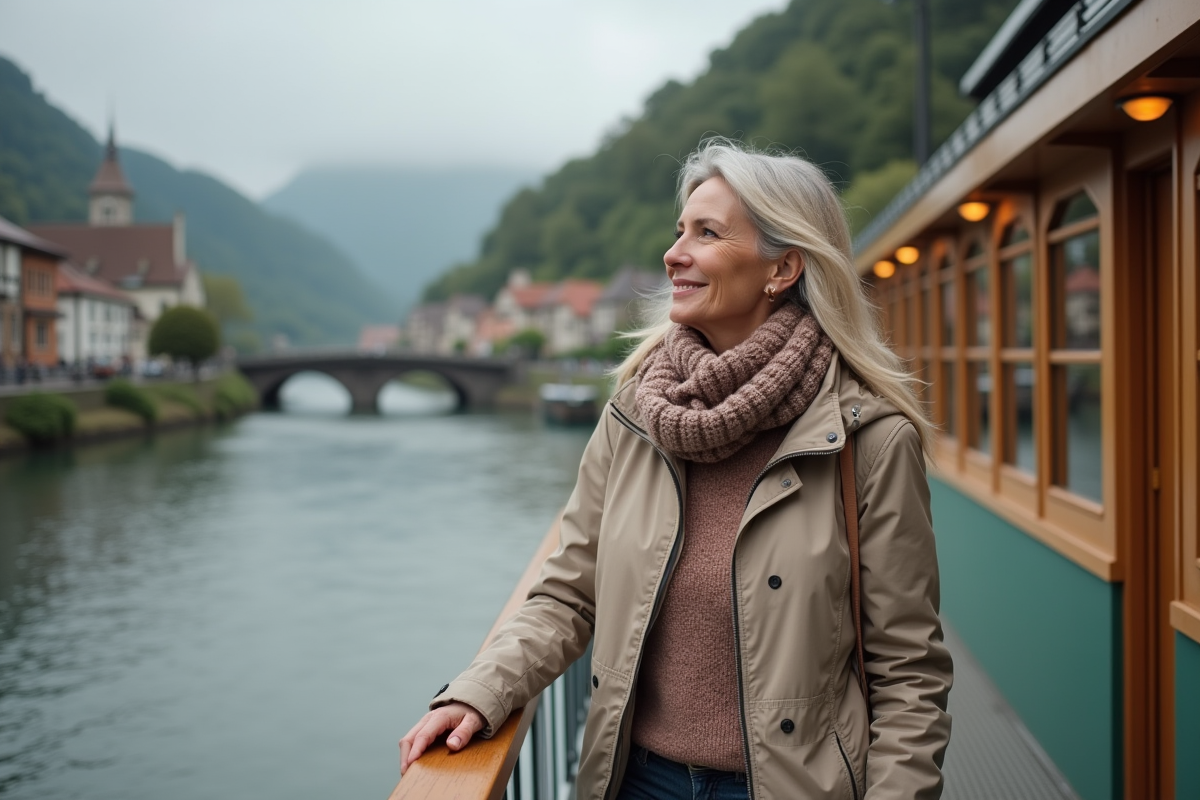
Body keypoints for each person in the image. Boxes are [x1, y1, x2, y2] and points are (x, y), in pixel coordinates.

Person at [400, 138, 953, 799]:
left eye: (707, 233)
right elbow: (567, 594)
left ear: (783, 269)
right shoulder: (634, 413)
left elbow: (909, 678)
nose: (673, 253)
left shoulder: (870, 439)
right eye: (679, 231)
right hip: (636, 781)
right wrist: (481, 692)